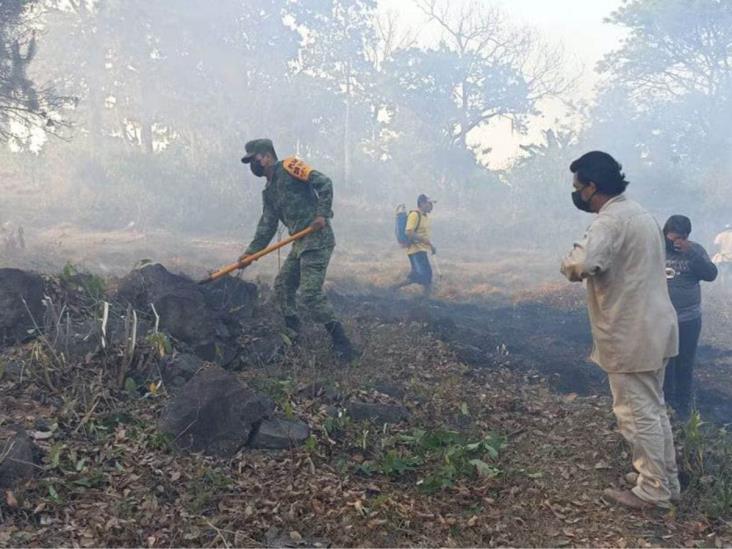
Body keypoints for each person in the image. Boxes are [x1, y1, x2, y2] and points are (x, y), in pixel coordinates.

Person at [560, 151, 680, 509]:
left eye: (578, 187)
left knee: (635, 412)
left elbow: (582, 263)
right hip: (655, 326)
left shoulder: (610, 221)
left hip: (631, 331)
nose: (577, 193)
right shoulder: (640, 213)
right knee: (653, 408)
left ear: (592, 187)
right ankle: (664, 479)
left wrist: (565, 262)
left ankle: (653, 491)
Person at [240, 138, 358, 362]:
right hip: (300, 243)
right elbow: (267, 225)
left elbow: (324, 183)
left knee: (310, 293)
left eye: (254, 160)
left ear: (266, 156)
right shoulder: (269, 191)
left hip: (317, 238)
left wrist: (322, 214)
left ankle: (343, 344)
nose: (252, 166)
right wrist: (250, 253)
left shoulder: (290, 166)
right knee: (283, 285)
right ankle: (294, 337)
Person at [662, 215, 717, 419]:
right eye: (673, 237)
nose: (677, 242)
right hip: (661, 319)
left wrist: (691, 253)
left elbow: (711, 274)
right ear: (665, 234)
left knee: (684, 361)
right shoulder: (656, 250)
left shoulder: (695, 250)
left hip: (689, 318)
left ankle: (683, 406)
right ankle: (667, 403)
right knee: (664, 361)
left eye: (682, 238)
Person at [393, 194, 436, 296]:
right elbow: (409, 232)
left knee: (426, 276)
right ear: (422, 203)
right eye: (429, 204)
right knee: (424, 276)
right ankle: (394, 288)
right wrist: (427, 242)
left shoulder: (424, 217)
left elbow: (423, 235)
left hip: (421, 250)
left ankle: (425, 299)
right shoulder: (414, 215)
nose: (431, 206)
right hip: (415, 250)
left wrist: (430, 246)